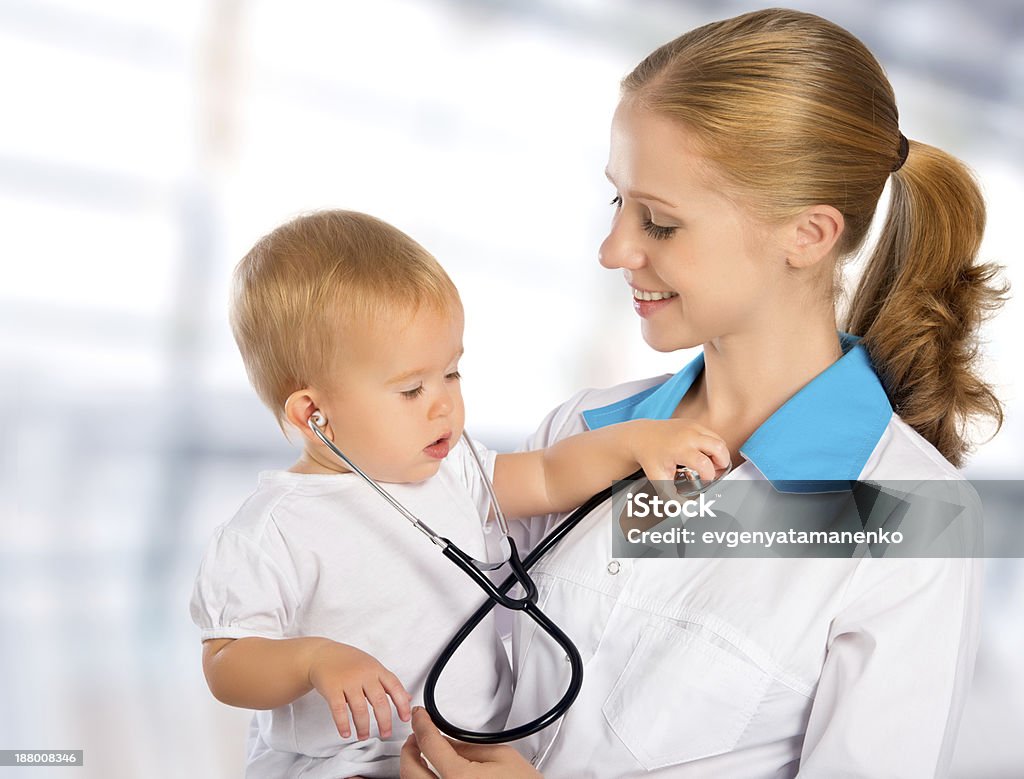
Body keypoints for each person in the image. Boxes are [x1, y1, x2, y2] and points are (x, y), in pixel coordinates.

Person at [400, 8, 1006, 779]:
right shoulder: (579, 432)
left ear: (809, 235)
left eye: (659, 223)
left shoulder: (913, 522)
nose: (614, 249)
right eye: (618, 202)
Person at [189, 209, 730, 778]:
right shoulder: (272, 530)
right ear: (313, 413)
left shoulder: (454, 473)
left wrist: (637, 442)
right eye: (411, 389)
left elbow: (549, 474)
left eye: (452, 374)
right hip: (338, 765)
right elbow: (227, 662)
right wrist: (313, 660)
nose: (444, 403)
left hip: (468, 750)